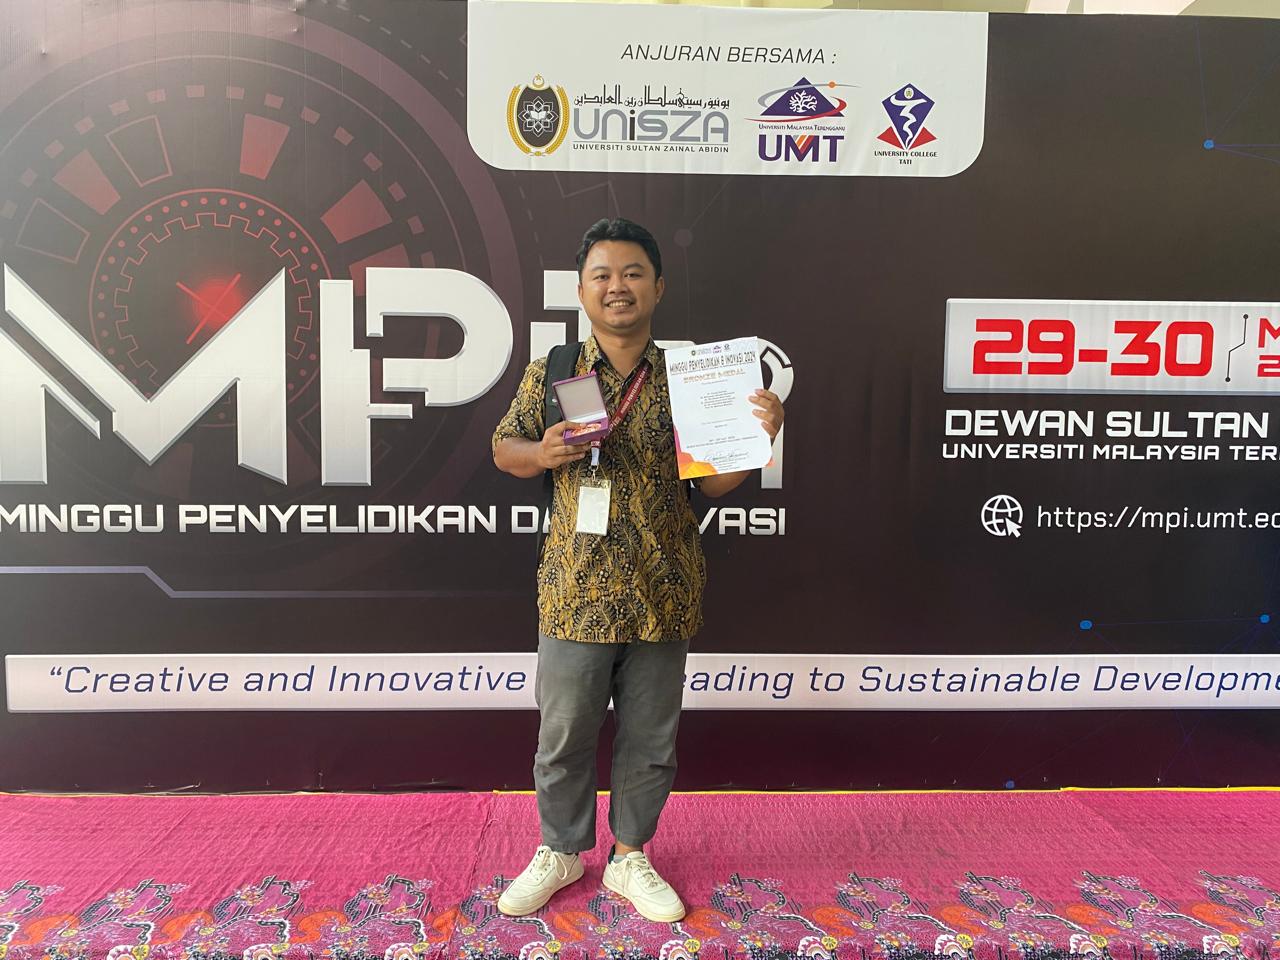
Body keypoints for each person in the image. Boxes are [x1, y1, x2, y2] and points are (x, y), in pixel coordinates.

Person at [490, 218, 784, 922]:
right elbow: (504, 447)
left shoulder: (691, 380)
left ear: (658, 286)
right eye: (602, 275)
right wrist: (543, 453)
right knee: (563, 736)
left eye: (631, 273)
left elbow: (715, 485)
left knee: (651, 741)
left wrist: (757, 439)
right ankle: (561, 850)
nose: (616, 286)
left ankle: (630, 857)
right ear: (582, 290)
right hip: (575, 591)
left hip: (664, 588)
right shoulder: (556, 371)